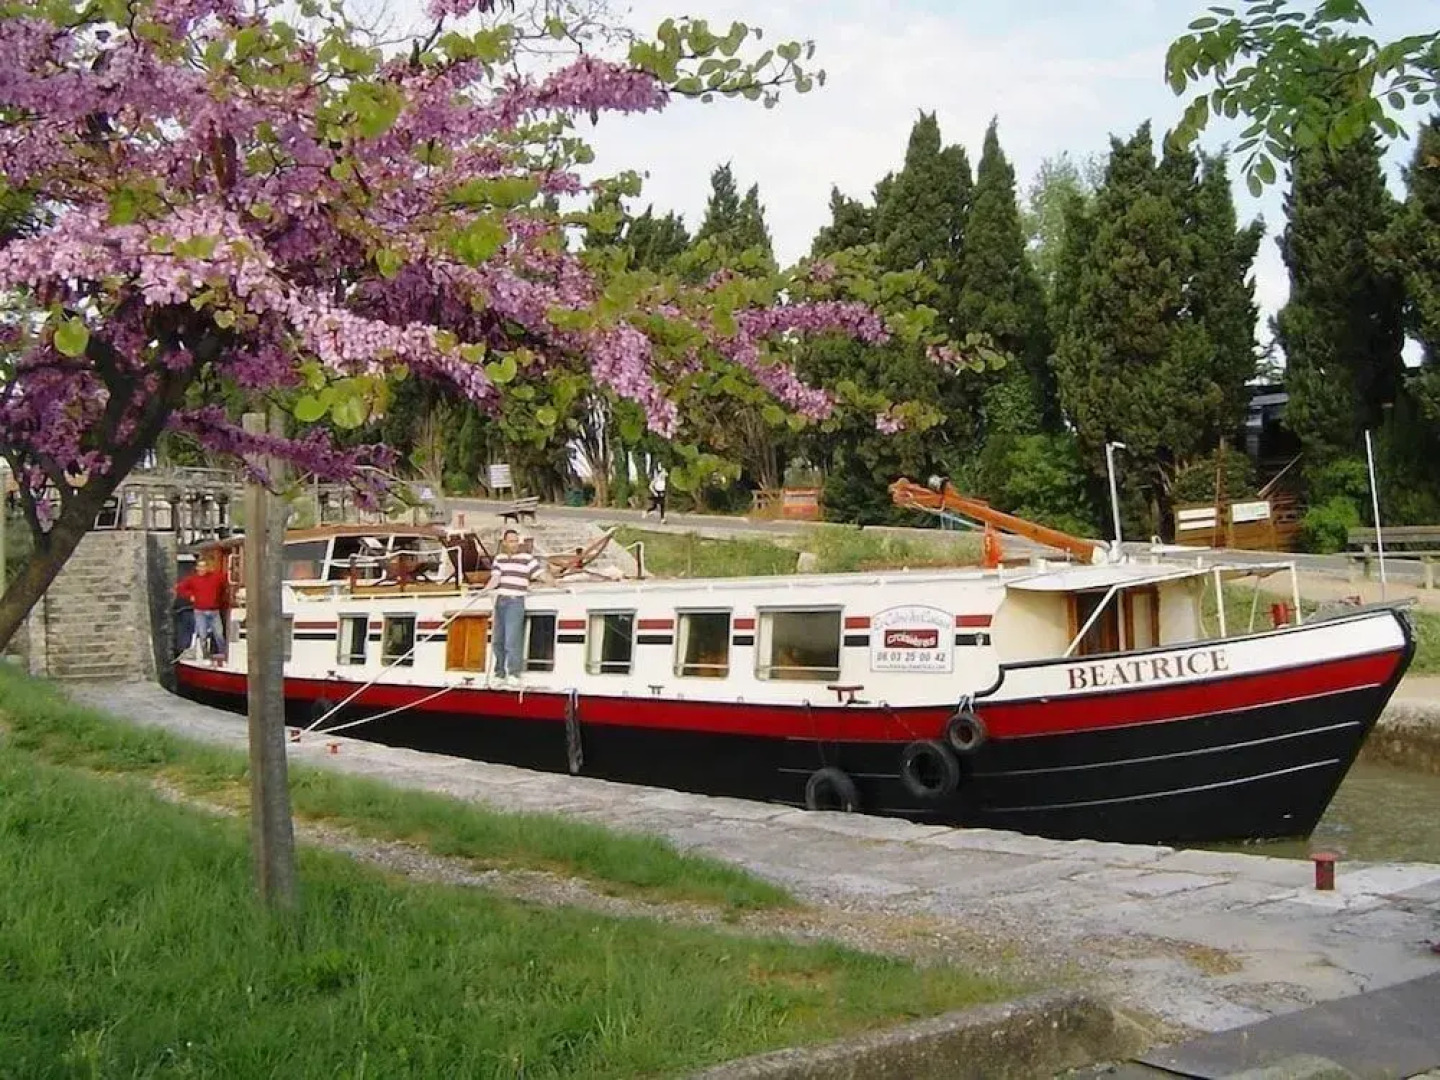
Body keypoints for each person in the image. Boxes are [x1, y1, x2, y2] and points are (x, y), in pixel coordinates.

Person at [483, 528, 549, 687]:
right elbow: (496, 578)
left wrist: (555, 583)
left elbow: (540, 574)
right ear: (504, 543)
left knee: (512, 639)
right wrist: (485, 589)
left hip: (515, 600)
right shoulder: (499, 558)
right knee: (498, 640)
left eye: (516, 541)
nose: (514, 544)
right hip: (501, 601)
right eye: (511, 541)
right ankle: (499, 673)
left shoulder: (527, 558)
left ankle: (513, 673)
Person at [175, 552, 228, 659]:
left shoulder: (216, 577)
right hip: (199, 611)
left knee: (219, 635)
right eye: (199, 567)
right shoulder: (192, 579)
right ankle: (205, 656)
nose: (201, 569)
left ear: (207, 567)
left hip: (214, 611)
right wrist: (190, 595)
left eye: (204, 566)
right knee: (202, 636)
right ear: (197, 568)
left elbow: (225, 584)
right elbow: (179, 587)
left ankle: (224, 655)